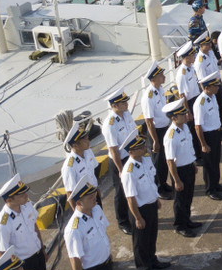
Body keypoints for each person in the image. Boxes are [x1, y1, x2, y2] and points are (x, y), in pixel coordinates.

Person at [119, 131, 171, 270]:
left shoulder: (146, 159)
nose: (144, 148)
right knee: (141, 241)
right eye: (140, 147)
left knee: (151, 235)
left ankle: (152, 260)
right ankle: (144, 268)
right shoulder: (128, 172)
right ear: (131, 152)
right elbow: (130, 198)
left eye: (143, 145)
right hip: (139, 209)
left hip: (151, 204)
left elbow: (150, 182)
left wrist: (156, 199)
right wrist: (137, 217)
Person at [0, 174, 47, 270]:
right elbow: (2, 253)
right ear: (9, 200)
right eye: (21, 195)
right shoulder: (2, 225)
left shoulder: (27, 205)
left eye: (25, 192)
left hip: (38, 255)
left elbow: (34, 227)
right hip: (22, 265)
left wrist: (42, 250)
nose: (26, 196)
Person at [163, 99, 200, 237]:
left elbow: (189, 149)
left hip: (189, 166)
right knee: (180, 200)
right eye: (182, 114)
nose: (185, 115)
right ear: (173, 118)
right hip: (180, 171)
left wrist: (193, 163)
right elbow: (170, 161)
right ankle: (180, 225)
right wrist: (176, 180)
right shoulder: (170, 137)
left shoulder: (184, 127)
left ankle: (187, 220)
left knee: (188, 197)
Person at [63, 174, 112, 270]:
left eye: (94, 195)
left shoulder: (97, 209)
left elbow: (103, 233)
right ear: (79, 203)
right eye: (90, 197)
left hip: (107, 264)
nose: (95, 198)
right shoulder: (74, 229)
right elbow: (75, 260)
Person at [102, 88, 135, 235]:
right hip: (119, 160)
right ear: (114, 106)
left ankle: (132, 214)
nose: (126, 104)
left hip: (131, 156)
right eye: (123, 103)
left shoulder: (126, 114)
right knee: (121, 192)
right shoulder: (109, 124)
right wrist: (120, 169)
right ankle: (123, 222)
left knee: (133, 187)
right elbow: (114, 150)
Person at [140, 63, 173, 200]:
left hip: (164, 128)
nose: (164, 77)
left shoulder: (159, 90)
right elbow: (149, 121)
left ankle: (164, 183)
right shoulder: (148, 97)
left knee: (164, 160)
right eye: (161, 75)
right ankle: (158, 188)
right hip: (156, 132)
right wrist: (154, 140)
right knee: (157, 163)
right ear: (153, 79)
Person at [193, 73, 222, 201]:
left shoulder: (212, 97)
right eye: (215, 86)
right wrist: (203, 144)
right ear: (207, 87)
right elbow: (198, 126)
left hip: (216, 133)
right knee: (209, 164)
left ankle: (216, 184)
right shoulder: (200, 103)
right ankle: (210, 189)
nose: (217, 88)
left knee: (216, 160)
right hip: (207, 136)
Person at [61, 121, 100, 208]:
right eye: (85, 140)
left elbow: (93, 175)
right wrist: (78, 216)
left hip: (94, 195)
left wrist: (98, 194)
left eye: (87, 138)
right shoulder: (69, 166)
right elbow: (70, 193)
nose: (88, 141)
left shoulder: (88, 151)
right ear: (75, 146)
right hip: (84, 203)